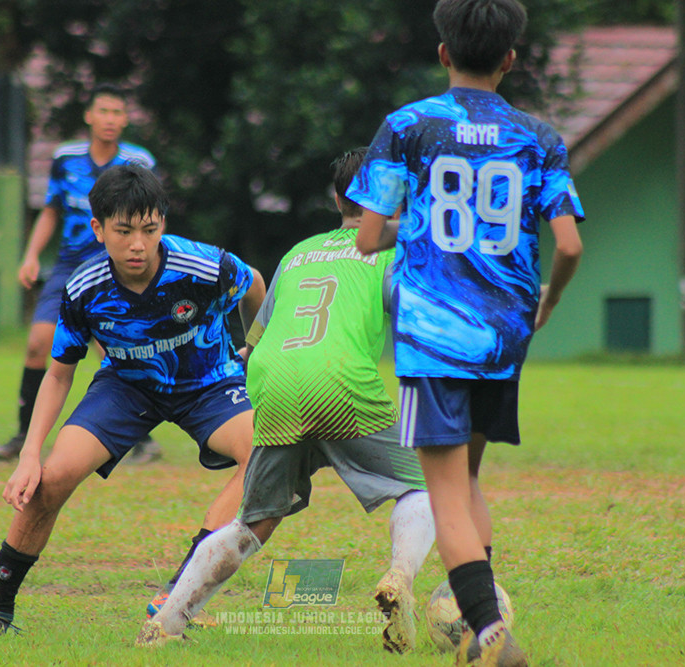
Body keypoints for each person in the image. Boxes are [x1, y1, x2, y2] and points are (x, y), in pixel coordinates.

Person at [349, 1, 585, 665]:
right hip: (505, 332)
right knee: (470, 477)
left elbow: (368, 236)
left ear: (443, 53)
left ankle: (488, 632)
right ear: (510, 58)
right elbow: (567, 244)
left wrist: (417, 225)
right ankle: (475, 609)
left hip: (433, 333)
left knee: (444, 490)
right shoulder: (539, 136)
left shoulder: (407, 126)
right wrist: (551, 298)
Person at [135, 148, 436, 655]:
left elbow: (252, 344)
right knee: (423, 489)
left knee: (252, 523)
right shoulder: (392, 248)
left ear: (337, 198)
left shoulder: (298, 253)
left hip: (273, 386)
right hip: (341, 384)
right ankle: (400, 576)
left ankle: (166, 621)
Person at [0, 164, 266, 638]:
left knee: (260, 458)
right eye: (123, 231)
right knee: (52, 477)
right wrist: (28, 454)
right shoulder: (84, 288)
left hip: (207, 384)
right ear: (98, 229)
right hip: (126, 387)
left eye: (149, 229)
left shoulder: (206, 265)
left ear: (163, 222)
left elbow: (255, 286)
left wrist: (253, 351)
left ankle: (178, 593)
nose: (138, 244)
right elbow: (59, 374)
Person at [0, 82, 162, 464]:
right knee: (38, 343)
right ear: (89, 116)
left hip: (119, 266)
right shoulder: (66, 158)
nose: (110, 120)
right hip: (69, 266)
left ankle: (141, 437)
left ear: (126, 119)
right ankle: (22, 434)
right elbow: (51, 209)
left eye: (118, 112)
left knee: (117, 346)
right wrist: (31, 255)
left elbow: (154, 219)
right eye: (104, 111)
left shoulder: (139, 162)